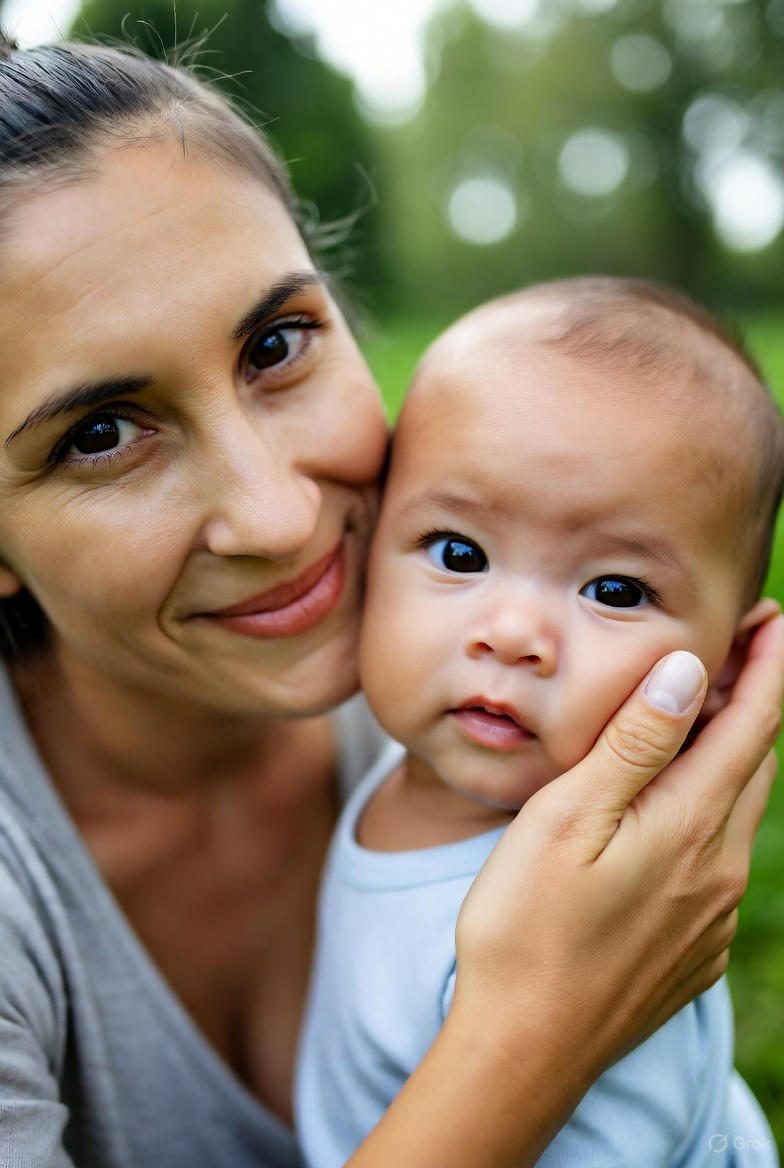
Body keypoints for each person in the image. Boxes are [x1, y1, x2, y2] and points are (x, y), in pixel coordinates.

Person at [0, 35, 780, 1168]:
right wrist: (531, 1037)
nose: (274, 518)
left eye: (275, 344)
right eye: (102, 434)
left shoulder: (486, 708)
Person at [295, 278, 784, 1168]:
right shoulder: (402, 759)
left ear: (728, 671)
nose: (513, 635)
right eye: (459, 553)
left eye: (614, 590)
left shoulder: (600, 926)